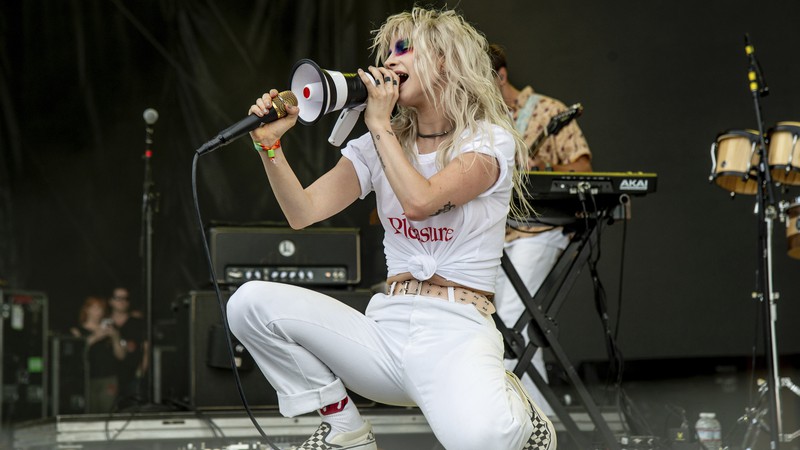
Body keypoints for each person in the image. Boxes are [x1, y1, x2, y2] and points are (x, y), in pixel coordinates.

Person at [226, 7, 556, 450]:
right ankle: (344, 428)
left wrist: (379, 125)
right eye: (388, 52)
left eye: (406, 48)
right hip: (386, 330)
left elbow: (420, 202)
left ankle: (513, 409)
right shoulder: (376, 145)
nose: (391, 61)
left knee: (485, 441)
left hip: (456, 335)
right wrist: (270, 148)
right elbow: (302, 212)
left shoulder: (488, 141)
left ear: (446, 60)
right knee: (249, 303)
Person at [489, 43, 593, 416]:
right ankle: (508, 415)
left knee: (514, 314)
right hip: (495, 236)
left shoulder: (548, 111)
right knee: (491, 325)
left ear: (500, 77)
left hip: (541, 228)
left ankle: (535, 418)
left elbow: (582, 170)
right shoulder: (481, 118)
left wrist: (541, 171)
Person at [70, 296, 125, 413]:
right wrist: (96, 336)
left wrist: (115, 337)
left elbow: (121, 356)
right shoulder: (78, 330)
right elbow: (77, 352)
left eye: (100, 308)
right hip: (87, 379)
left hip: (108, 377)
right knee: (89, 412)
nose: (97, 312)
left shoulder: (110, 329)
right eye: (94, 308)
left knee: (107, 410)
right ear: (86, 310)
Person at [108, 287, 148, 408]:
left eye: (125, 298)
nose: (122, 301)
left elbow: (147, 348)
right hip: (108, 377)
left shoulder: (137, 322)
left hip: (132, 377)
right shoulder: (104, 323)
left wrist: (142, 369)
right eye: (118, 298)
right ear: (110, 301)